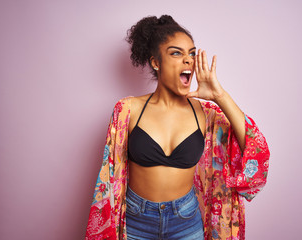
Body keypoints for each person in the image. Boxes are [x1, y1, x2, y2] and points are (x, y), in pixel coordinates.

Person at [85, 15, 270, 240]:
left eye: (192, 53)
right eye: (176, 53)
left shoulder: (206, 114)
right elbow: (110, 175)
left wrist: (219, 96)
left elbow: (255, 148)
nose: (188, 60)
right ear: (155, 62)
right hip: (136, 222)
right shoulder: (128, 110)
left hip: (185, 223)